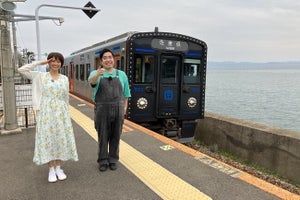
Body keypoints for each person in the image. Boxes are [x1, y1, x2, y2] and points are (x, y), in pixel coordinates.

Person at [18, 52, 78, 183]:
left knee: (60, 138)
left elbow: (65, 97)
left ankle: (59, 168)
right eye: (52, 61)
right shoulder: (40, 76)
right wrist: (40, 63)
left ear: (61, 63)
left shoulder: (64, 79)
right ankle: (51, 169)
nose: (55, 63)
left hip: (61, 113)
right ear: (49, 62)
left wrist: (67, 113)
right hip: (46, 113)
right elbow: (21, 70)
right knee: (48, 139)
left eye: (58, 61)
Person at [88, 49, 131, 172]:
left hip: (118, 108)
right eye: (105, 58)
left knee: (116, 136)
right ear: (101, 61)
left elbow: (126, 93)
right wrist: (98, 74)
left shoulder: (121, 74)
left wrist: (124, 108)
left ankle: (113, 159)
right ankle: (102, 160)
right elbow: (92, 82)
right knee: (103, 136)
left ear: (113, 59)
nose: (108, 60)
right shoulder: (95, 73)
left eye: (110, 57)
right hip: (102, 108)